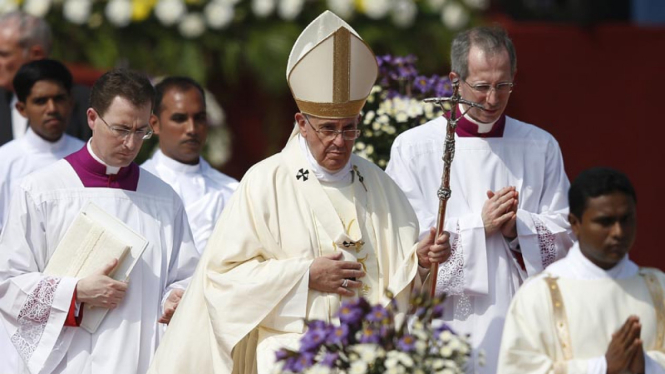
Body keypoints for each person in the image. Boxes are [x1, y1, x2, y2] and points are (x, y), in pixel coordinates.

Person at [147, 10, 450, 374]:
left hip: (367, 355)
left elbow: (400, 283)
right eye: (328, 128)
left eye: (350, 129)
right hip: (291, 354)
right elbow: (222, 280)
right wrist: (304, 276)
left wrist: (420, 261)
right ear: (302, 124)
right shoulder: (265, 182)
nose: (340, 142)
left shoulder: (378, 185)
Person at [385, 26, 573, 372]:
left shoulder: (540, 146)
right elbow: (402, 240)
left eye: (504, 86)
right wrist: (478, 226)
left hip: (521, 317)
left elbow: (565, 234)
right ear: (455, 81)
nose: (492, 99)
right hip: (447, 319)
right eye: (483, 86)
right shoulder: (414, 148)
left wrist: (518, 227)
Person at [0, 69, 200, 374]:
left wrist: (176, 297)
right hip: (67, 363)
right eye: (121, 129)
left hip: (140, 360)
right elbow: (8, 284)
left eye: (141, 131)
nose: (131, 144)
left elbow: (184, 275)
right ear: (92, 118)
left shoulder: (163, 199)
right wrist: (76, 291)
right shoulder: (42, 190)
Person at [498, 167, 665, 374]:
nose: (618, 232)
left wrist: (649, 367)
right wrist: (601, 367)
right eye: (605, 221)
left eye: (626, 219)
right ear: (575, 223)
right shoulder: (538, 295)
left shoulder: (658, 288)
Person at [142, 76, 238, 253]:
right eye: (179, 119)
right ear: (154, 124)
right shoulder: (137, 187)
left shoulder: (231, 191)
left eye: (200, 118)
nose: (192, 129)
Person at [0, 59, 84, 232]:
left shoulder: (88, 155)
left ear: (70, 102)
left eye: (59, 99)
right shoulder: (5, 161)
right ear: (22, 109)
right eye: (40, 101)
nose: (51, 108)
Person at [0, 11, 91, 145]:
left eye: (4, 54)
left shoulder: (87, 105)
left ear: (37, 54)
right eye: (40, 101)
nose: (51, 108)